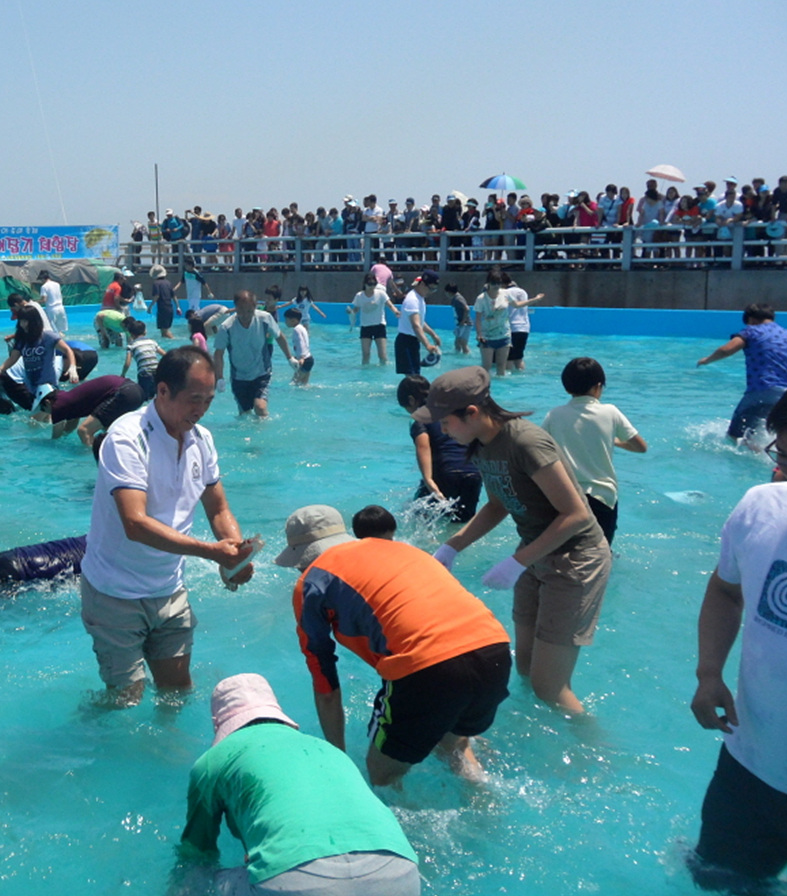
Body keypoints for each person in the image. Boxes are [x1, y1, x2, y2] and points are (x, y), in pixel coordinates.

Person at [421, 367, 611, 715]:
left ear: (473, 413)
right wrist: (453, 546)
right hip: (535, 555)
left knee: (549, 687)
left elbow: (577, 514)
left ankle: (591, 751)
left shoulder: (525, 442)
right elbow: (498, 504)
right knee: (523, 668)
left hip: (575, 560)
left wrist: (515, 563)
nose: (442, 430)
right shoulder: (480, 446)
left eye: (445, 422)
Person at [278, 505, 510, 786]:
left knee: (381, 775)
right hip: (494, 649)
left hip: (428, 668)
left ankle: (406, 827)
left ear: (302, 557)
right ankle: (484, 807)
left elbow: (325, 685)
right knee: (454, 747)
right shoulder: (405, 551)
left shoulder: (310, 582)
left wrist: (338, 765)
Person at [80, 347, 254, 704]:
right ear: (162, 391)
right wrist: (210, 553)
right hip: (115, 593)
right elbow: (135, 523)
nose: (201, 410)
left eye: (208, 400)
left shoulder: (201, 440)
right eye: (194, 400)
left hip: (169, 589)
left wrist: (234, 554)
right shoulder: (127, 437)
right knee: (125, 701)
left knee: (177, 693)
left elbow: (218, 508)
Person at [179, 673, 420, 896]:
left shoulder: (212, 761)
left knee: (199, 874)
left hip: (297, 883)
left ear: (218, 723)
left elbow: (198, 851)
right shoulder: (326, 749)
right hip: (401, 871)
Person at [688, 396, 787, 890]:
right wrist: (709, 672)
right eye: (786, 460)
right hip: (752, 763)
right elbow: (726, 590)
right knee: (719, 878)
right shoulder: (760, 507)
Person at [541, 358, 647, 545]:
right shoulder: (611, 412)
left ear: (566, 388)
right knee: (600, 557)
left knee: (564, 554)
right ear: (599, 386)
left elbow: (539, 449)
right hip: (602, 497)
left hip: (565, 498)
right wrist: (616, 442)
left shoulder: (554, 415)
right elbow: (641, 447)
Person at [697, 302, 787, 442]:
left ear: (751, 320)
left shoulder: (751, 331)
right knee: (779, 435)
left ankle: (760, 457)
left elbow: (726, 350)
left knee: (736, 437)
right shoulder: (786, 334)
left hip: (763, 391)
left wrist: (707, 360)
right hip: (785, 395)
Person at [396, 375, 482, 522]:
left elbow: (423, 445)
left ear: (411, 400)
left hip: (445, 473)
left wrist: (429, 480)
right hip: (474, 474)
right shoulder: (451, 410)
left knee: (418, 516)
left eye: (406, 407)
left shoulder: (418, 417)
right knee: (460, 524)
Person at [213, 291, 295, 418]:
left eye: (249, 311)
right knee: (244, 415)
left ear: (255, 307)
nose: (245, 315)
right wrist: (219, 377)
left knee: (260, 407)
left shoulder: (265, 318)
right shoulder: (226, 327)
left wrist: (290, 358)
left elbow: (279, 336)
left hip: (261, 373)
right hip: (239, 377)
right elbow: (218, 353)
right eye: (241, 310)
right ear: (235, 307)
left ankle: (266, 435)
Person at [0, 307, 79, 405]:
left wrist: (72, 367)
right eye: (21, 321)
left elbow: (68, 350)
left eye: (25, 321)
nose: (23, 325)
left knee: (42, 414)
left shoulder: (48, 336)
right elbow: (12, 359)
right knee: (41, 416)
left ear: (34, 321)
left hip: (48, 385)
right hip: (31, 387)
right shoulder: (22, 340)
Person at [30, 375, 144, 448]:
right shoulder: (66, 398)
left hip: (123, 393)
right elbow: (71, 424)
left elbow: (55, 438)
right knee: (108, 432)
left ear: (48, 402)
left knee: (84, 430)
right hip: (134, 390)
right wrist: (65, 435)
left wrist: (47, 446)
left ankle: (91, 460)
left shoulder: (58, 405)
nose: (47, 413)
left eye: (43, 409)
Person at [394, 271, 442, 376]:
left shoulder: (420, 298)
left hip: (413, 341)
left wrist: (433, 334)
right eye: (431, 288)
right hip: (405, 342)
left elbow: (420, 322)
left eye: (434, 289)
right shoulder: (412, 300)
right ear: (423, 284)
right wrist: (427, 345)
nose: (431, 292)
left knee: (415, 375)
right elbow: (416, 325)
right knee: (412, 377)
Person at [348, 274, 398, 366]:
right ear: (365, 284)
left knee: (382, 355)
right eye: (369, 284)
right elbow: (356, 309)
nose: (372, 287)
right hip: (365, 327)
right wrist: (351, 312)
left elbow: (390, 305)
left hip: (379, 325)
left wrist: (396, 312)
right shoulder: (359, 296)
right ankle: (364, 375)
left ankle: (383, 374)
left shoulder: (381, 294)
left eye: (374, 284)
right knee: (366, 354)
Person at [500, 273, 544, 371]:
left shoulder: (504, 293)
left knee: (508, 358)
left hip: (511, 328)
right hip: (524, 328)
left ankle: (509, 383)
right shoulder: (523, 292)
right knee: (519, 358)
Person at [121, 317, 163, 400]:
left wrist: (123, 374)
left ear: (130, 334)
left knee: (144, 398)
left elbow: (127, 363)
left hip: (144, 373)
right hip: (157, 372)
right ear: (145, 331)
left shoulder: (131, 345)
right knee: (157, 397)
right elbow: (165, 355)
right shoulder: (152, 342)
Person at [282, 308, 314, 385]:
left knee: (294, 383)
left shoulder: (296, 329)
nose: (285, 322)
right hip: (309, 358)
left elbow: (301, 342)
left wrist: (301, 357)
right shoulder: (302, 328)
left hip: (304, 360)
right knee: (304, 385)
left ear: (293, 320)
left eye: (286, 320)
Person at [149, 265, 180, 340]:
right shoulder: (168, 283)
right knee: (164, 331)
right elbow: (174, 296)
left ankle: (175, 340)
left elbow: (156, 296)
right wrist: (178, 306)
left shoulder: (156, 284)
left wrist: (150, 307)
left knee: (164, 331)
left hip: (162, 309)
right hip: (170, 308)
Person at [37, 269, 68, 335]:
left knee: (52, 330)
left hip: (51, 309)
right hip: (61, 308)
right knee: (60, 331)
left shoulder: (44, 287)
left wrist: (36, 302)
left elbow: (44, 300)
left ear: (43, 278)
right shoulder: (57, 284)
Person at [445, 282, 471, 355]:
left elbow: (467, 309)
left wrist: (463, 321)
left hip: (465, 324)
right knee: (458, 343)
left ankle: (466, 358)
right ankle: (458, 357)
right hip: (462, 324)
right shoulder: (456, 298)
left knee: (462, 343)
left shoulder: (458, 299)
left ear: (449, 292)